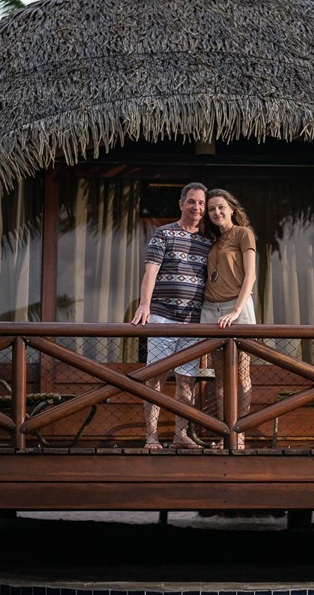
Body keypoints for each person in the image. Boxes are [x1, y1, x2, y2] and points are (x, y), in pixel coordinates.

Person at [131, 182, 212, 449]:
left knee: (186, 380)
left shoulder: (207, 242)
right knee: (155, 378)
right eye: (192, 201)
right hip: (163, 317)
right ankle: (151, 437)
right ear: (181, 204)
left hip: (193, 322)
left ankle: (180, 435)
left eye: (201, 203)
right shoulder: (163, 234)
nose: (197, 207)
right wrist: (145, 305)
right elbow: (151, 272)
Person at [201, 188, 256, 449]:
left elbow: (251, 276)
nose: (216, 212)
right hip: (211, 310)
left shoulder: (243, 234)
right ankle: (227, 436)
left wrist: (236, 311)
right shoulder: (212, 241)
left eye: (221, 207)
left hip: (238, 308)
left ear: (232, 208)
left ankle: (240, 435)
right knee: (221, 378)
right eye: (211, 209)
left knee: (242, 374)